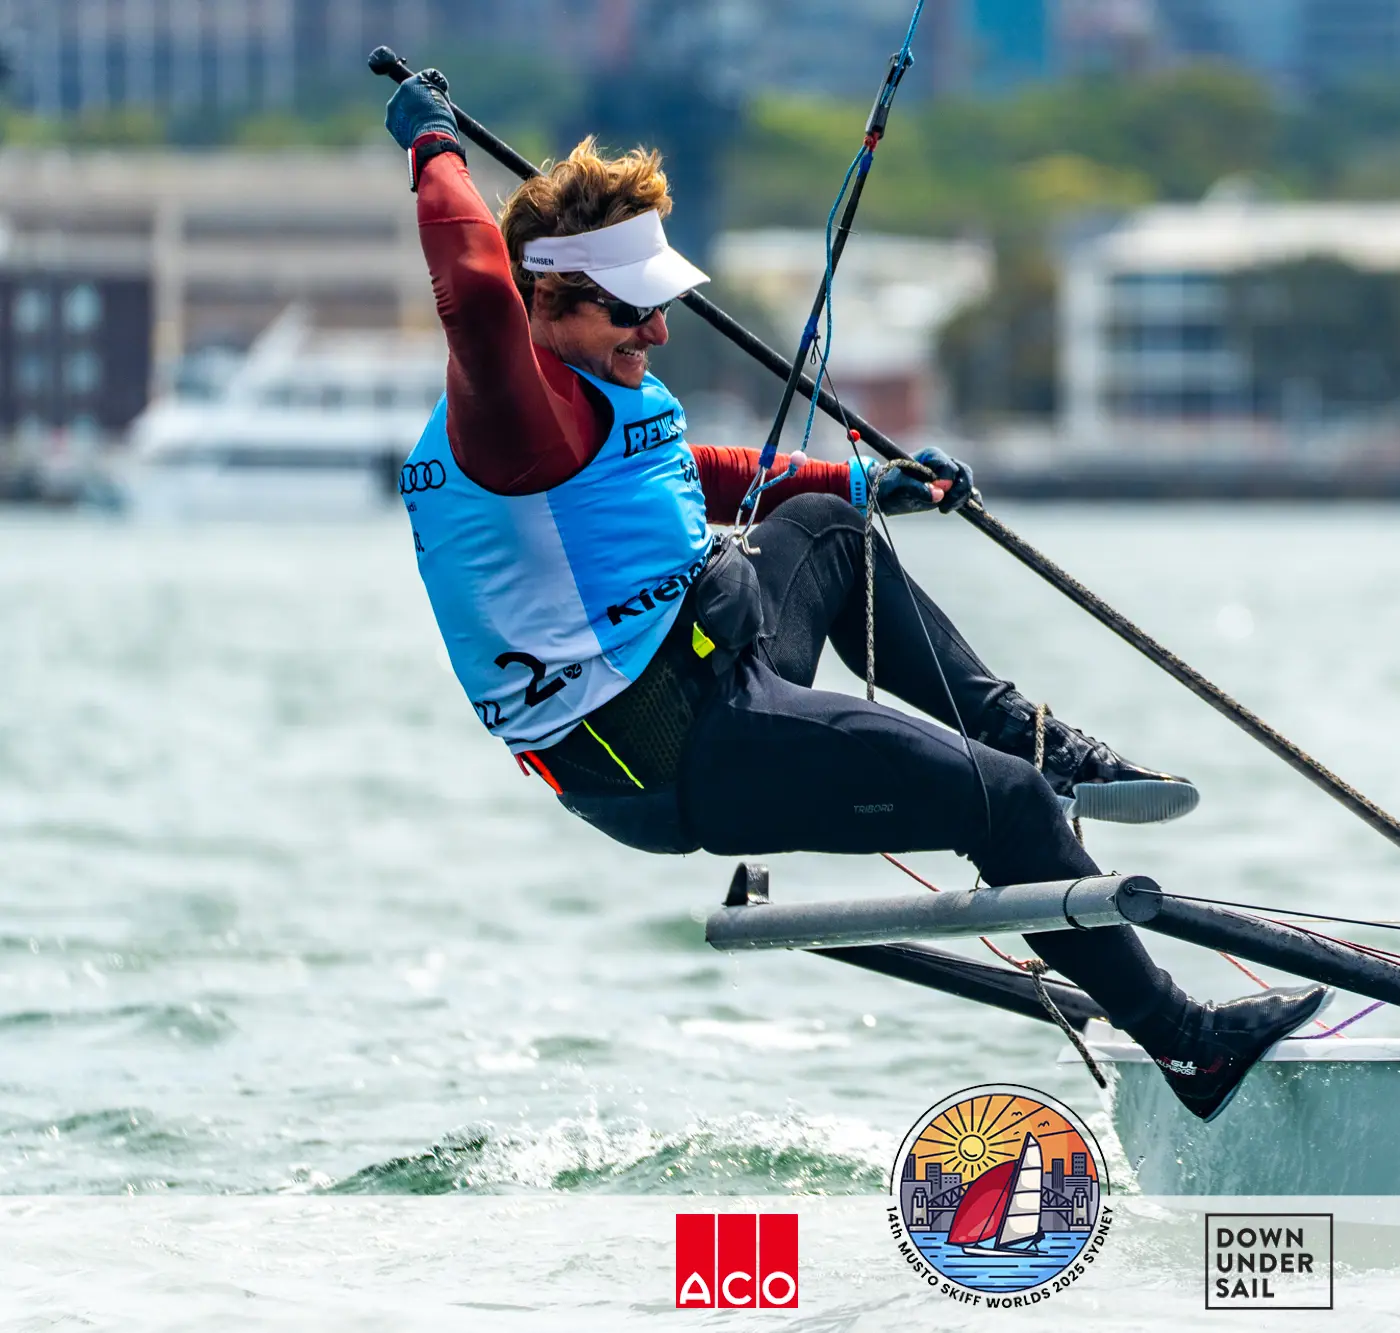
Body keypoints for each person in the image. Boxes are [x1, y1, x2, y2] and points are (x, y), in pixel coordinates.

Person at [386, 72, 1324, 1121]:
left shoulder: (596, 387)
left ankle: (1029, 735)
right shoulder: (511, 413)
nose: (655, 334)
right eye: (631, 310)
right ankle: (1191, 1048)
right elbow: (474, 292)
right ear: (543, 300)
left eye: (660, 308)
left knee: (833, 527)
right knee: (1006, 803)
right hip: (669, 751)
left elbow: (684, 471)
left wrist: (862, 481)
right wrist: (434, 146)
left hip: (716, 667)